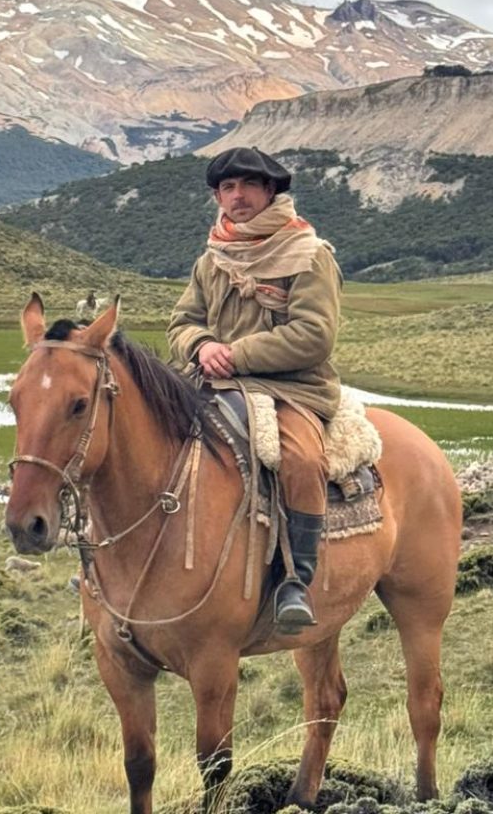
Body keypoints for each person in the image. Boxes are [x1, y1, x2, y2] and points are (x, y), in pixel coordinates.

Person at [167, 146, 342, 635]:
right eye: (228, 187)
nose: (238, 196)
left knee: (301, 459)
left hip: (291, 390)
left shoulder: (308, 253)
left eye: (248, 185)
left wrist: (236, 354)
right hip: (213, 380)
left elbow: (314, 335)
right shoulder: (212, 257)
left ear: (270, 191)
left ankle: (295, 579)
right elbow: (182, 321)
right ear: (217, 198)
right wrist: (201, 345)